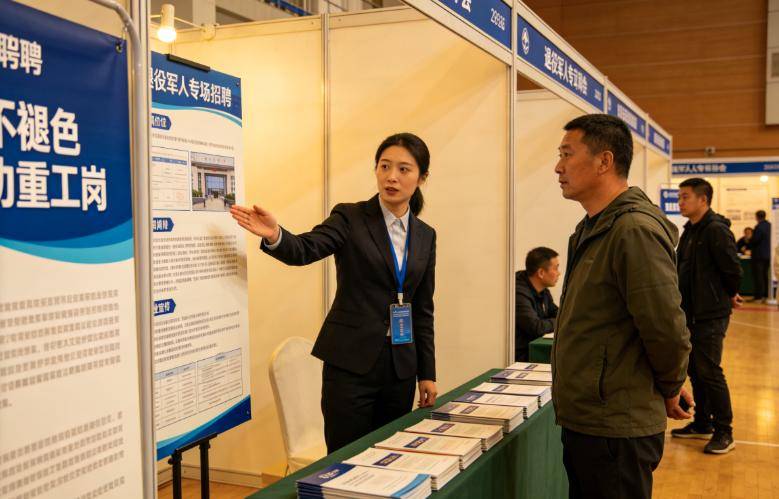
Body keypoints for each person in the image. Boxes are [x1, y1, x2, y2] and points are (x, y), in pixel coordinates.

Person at [230, 133, 438, 453]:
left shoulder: (425, 235)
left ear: (422, 178)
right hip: (350, 364)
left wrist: (427, 373)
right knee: (345, 458)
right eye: (384, 166)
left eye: (403, 169)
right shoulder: (350, 217)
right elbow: (305, 248)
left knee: (391, 457)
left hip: (400, 367)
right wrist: (276, 235)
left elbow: (423, 310)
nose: (391, 177)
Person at [552, 114, 692, 499]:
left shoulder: (632, 230)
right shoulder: (592, 227)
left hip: (616, 424)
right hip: (591, 419)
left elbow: (665, 327)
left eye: (567, 154)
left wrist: (671, 385)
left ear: (604, 161)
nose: (558, 167)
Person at [671, 178, 742, 454]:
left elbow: (732, 270)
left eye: (685, 197)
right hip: (690, 314)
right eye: (679, 197)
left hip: (710, 314)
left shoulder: (716, 230)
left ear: (703, 199)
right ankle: (703, 423)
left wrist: (729, 293)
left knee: (710, 371)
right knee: (695, 370)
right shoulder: (690, 230)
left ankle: (725, 431)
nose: (680, 202)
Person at [515, 247, 560, 361]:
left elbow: (557, 313)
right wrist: (561, 321)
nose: (559, 273)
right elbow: (536, 327)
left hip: (534, 350)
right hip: (522, 357)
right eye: (556, 268)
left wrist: (562, 318)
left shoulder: (543, 290)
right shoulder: (518, 292)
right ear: (541, 273)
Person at [748, 210, 771, 302]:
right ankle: (766, 295)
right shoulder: (770, 226)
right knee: (765, 276)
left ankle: (758, 297)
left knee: (758, 277)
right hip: (768, 255)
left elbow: (755, 240)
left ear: (757, 217)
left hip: (758, 256)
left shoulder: (759, 227)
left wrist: (750, 240)